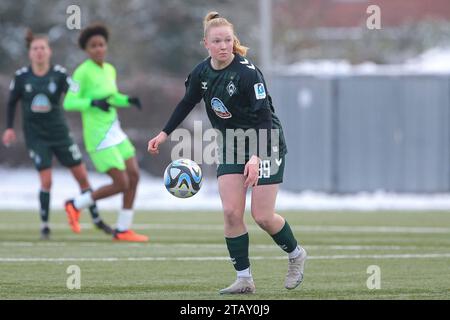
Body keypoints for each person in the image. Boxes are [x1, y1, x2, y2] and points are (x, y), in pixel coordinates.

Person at [147, 12, 307, 294]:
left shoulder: (247, 73)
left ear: (234, 42)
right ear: (205, 44)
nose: (223, 45)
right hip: (232, 141)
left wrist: (256, 157)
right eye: (217, 41)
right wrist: (163, 133)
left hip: (264, 140)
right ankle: (244, 279)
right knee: (232, 212)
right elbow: (187, 102)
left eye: (228, 40)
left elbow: (264, 120)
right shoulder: (201, 72)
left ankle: (296, 255)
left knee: (262, 216)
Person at [1, 30, 112, 240]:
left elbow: (76, 91)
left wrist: (94, 98)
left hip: (60, 133)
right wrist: (8, 128)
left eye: (43, 48)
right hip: (36, 136)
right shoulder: (22, 76)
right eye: (35, 49)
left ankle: (97, 219)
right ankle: (45, 226)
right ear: (30, 53)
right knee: (47, 180)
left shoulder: (59, 74)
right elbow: (11, 102)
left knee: (81, 177)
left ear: (49, 51)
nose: (39, 52)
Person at [63, 24, 148, 242]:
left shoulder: (109, 69)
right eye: (93, 46)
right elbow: (69, 102)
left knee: (134, 176)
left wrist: (128, 100)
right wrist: (92, 102)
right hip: (98, 136)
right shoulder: (82, 72)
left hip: (114, 130)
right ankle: (75, 204)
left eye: (101, 44)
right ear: (86, 50)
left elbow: (112, 97)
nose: (98, 49)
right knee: (121, 183)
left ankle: (122, 229)